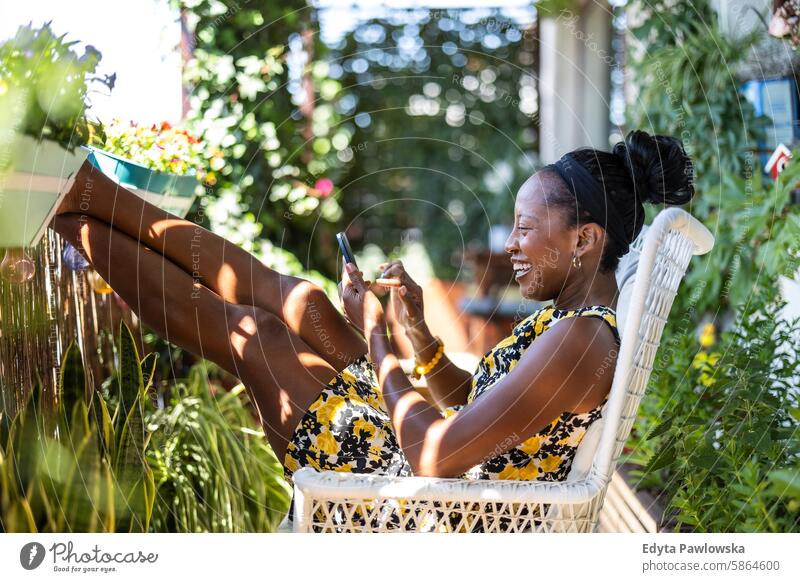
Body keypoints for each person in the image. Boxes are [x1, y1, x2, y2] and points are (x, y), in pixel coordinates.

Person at [52, 129, 694, 504]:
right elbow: (489, 403)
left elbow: (433, 457)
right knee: (300, 299)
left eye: (526, 230)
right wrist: (417, 334)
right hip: (439, 473)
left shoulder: (581, 339)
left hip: (432, 511)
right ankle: (94, 197)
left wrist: (380, 336)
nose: (511, 247)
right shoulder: (572, 321)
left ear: (583, 240)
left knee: (258, 335)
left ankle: (76, 218)